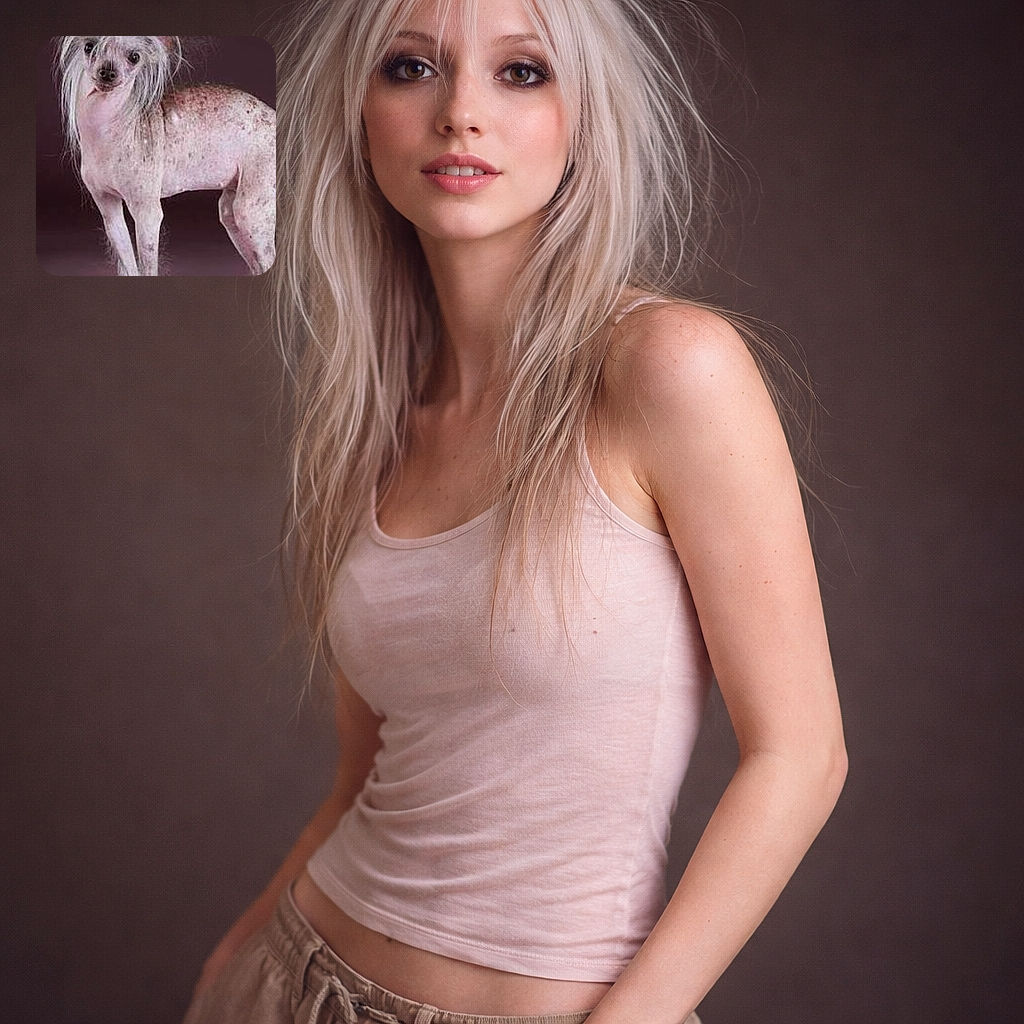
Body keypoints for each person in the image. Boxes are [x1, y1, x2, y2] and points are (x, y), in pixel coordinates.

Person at [183, 0, 848, 1021]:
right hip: (286, 978)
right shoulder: (372, 416)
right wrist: (238, 955)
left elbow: (799, 755)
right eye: (410, 69)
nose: (460, 115)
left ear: (583, 117)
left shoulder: (666, 369)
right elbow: (367, 770)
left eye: (521, 72)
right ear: (359, 115)